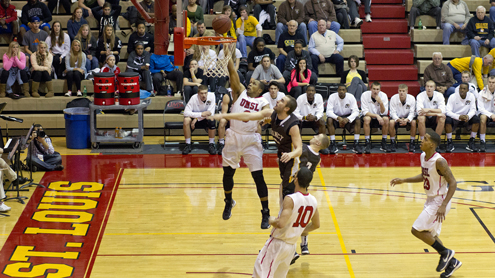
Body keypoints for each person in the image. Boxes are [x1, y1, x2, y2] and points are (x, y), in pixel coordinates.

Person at [208, 50, 272, 229]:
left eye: (253, 84)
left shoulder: (263, 102)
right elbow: (232, 72)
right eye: (250, 82)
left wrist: (266, 118)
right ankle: (228, 201)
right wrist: (227, 53)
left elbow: (268, 113)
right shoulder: (240, 92)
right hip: (234, 136)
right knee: (228, 173)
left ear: (260, 89)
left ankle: (265, 212)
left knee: (258, 177)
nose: (249, 84)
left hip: (251, 139)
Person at [390, 131, 461, 278]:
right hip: (430, 200)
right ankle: (452, 262)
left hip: (440, 200)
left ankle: (446, 253)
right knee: (431, 235)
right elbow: (424, 176)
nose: (421, 140)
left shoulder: (440, 161)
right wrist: (404, 180)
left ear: (432, 145)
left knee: (416, 230)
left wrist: (444, 204)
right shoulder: (423, 156)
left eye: (425, 139)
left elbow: (453, 183)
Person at [253, 167, 320, 278]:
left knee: (260, 275)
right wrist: (298, 230)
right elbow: (316, 225)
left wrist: (270, 219)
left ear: (296, 179)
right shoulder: (313, 201)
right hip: (291, 247)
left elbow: (281, 224)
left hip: (277, 244)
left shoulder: (290, 199)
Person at [326, 84, 363, 154]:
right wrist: (338, 118)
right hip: (336, 117)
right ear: (337, 91)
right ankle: (333, 143)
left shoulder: (351, 97)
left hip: (348, 117)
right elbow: (328, 111)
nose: (341, 91)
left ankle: (356, 143)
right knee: (329, 119)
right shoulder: (332, 97)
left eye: (343, 90)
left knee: (358, 120)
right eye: (340, 90)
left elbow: (356, 111)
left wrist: (348, 119)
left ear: (346, 91)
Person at [445, 83, 479, 152]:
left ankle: (471, 142)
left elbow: (473, 109)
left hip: (466, 118)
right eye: (461, 88)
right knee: (447, 120)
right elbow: (447, 111)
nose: (462, 90)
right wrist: (458, 117)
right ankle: (449, 142)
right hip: (455, 117)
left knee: (476, 119)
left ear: (468, 90)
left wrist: (468, 116)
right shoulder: (452, 96)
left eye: (464, 89)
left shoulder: (471, 96)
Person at [182, 85, 217, 155]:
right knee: (186, 120)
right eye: (201, 93)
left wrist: (197, 118)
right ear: (198, 93)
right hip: (195, 119)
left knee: (211, 119)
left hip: (205, 119)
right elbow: (185, 112)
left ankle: (211, 144)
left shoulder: (212, 96)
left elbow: (210, 113)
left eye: (205, 93)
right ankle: (188, 144)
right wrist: (200, 115)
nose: (204, 95)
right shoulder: (193, 98)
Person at [361, 81, 390, 154]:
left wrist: (381, 103)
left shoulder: (383, 96)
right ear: (370, 89)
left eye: (377, 89)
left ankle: (384, 142)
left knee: (386, 119)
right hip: (370, 115)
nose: (375, 91)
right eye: (374, 89)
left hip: (380, 115)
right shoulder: (364, 95)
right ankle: (367, 142)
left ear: (380, 90)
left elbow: (384, 112)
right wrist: (377, 116)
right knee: (367, 119)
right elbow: (365, 112)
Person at [389, 84, 417, 153]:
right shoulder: (393, 98)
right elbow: (393, 113)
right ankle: (392, 142)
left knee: (413, 122)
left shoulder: (412, 98)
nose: (401, 93)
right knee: (391, 122)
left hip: (407, 118)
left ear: (407, 91)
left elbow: (412, 112)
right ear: (398, 91)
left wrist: (407, 120)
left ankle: (412, 142)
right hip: (397, 118)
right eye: (400, 91)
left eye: (403, 91)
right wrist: (398, 119)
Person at [478, 75, 495, 152]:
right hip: (485, 113)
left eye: (493, 82)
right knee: (483, 118)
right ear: (487, 82)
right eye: (490, 82)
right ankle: (482, 141)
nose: (491, 84)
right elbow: (480, 109)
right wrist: (491, 115)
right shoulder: (481, 93)